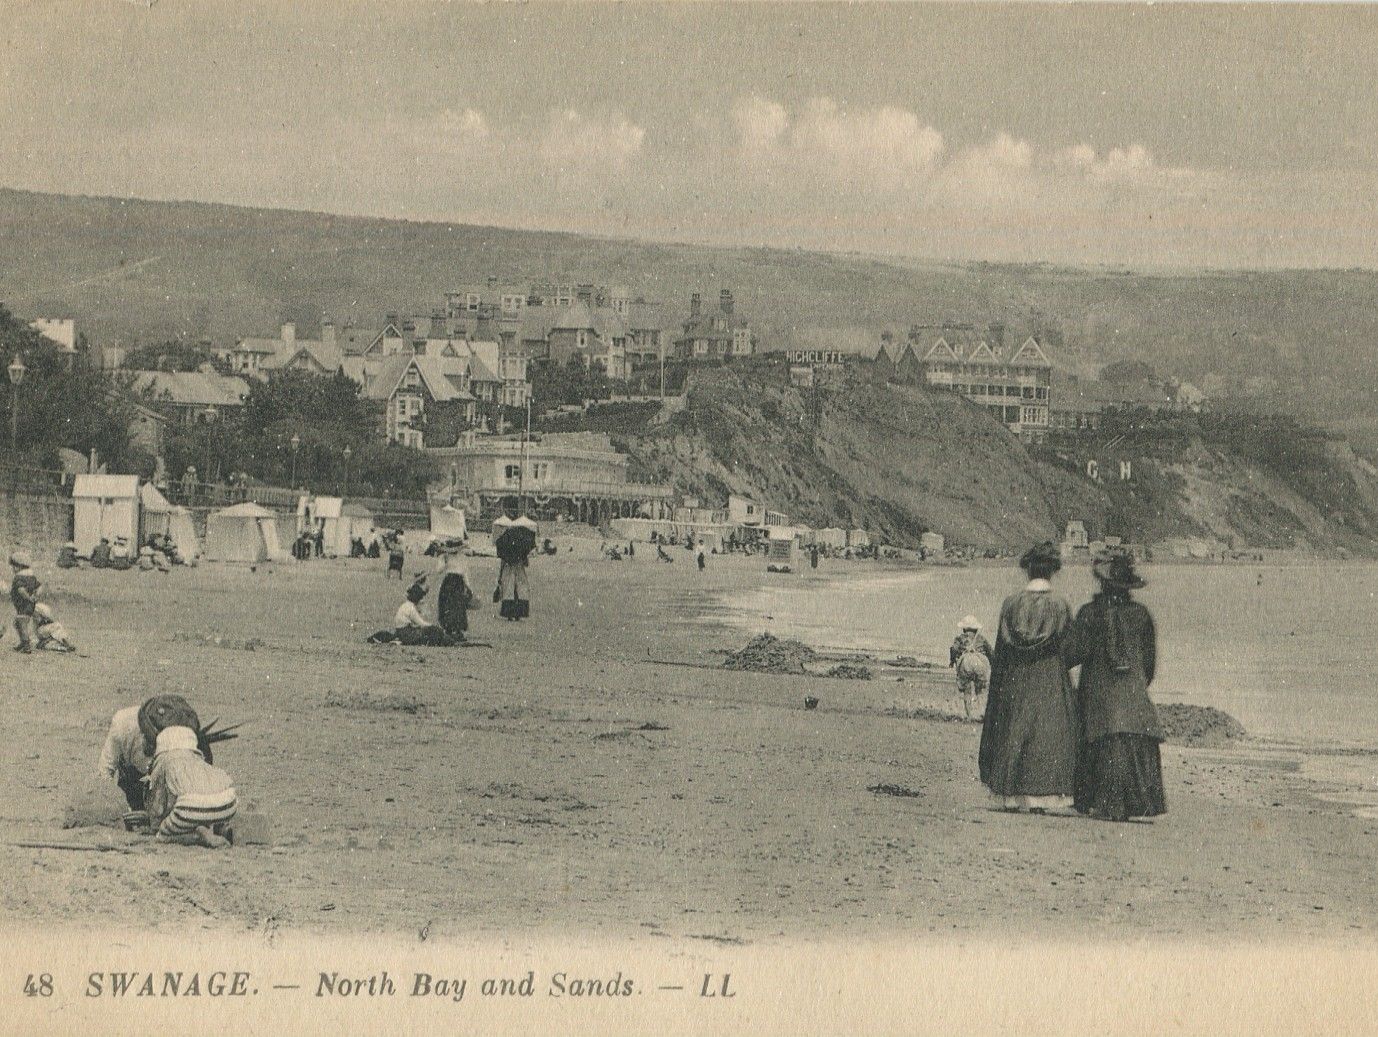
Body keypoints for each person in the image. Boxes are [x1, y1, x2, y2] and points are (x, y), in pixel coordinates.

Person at [978, 541, 1079, 814]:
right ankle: (1042, 795)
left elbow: (1002, 646)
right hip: (1048, 674)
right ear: (1052, 572)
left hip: (1016, 675)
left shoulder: (1011, 604)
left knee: (1014, 729)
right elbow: (1070, 649)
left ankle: (1012, 794)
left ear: (1028, 570)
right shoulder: (1059, 605)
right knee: (1046, 733)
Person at [1068, 550, 1166, 822]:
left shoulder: (1089, 613)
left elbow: (1072, 653)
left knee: (1099, 741)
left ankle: (1097, 800)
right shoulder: (1142, 614)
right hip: (1134, 699)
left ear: (1102, 583)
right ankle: (1135, 804)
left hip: (1098, 699)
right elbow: (1149, 664)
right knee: (1132, 740)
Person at [143, 715, 238, 849]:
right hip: (229, 803)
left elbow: (157, 810)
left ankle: (200, 836)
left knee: (162, 836)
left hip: (189, 808)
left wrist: (156, 825)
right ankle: (218, 826)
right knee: (198, 804)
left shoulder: (164, 761)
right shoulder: (197, 758)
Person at [950, 616, 994, 719]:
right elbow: (991, 653)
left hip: (966, 663)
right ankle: (981, 714)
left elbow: (953, 649)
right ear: (976, 629)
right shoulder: (981, 639)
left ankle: (969, 715)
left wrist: (952, 661)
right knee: (981, 689)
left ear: (964, 628)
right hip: (980, 663)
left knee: (967, 689)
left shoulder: (960, 638)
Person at [495, 516, 536, 621]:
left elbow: (503, 561)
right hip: (519, 567)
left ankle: (509, 614)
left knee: (508, 589)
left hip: (508, 567)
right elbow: (526, 563)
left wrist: (500, 576)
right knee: (520, 588)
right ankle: (518, 613)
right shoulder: (521, 540)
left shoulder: (505, 540)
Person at [392, 579, 452, 646]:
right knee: (434, 631)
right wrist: (433, 627)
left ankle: (449, 641)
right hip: (407, 634)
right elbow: (421, 623)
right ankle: (451, 642)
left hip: (401, 632)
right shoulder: (411, 608)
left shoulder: (405, 605)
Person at [436, 549, 472, 644]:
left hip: (450, 582)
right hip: (457, 582)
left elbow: (439, 570)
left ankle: (453, 629)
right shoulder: (459, 556)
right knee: (455, 605)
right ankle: (454, 630)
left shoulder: (446, 556)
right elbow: (465, 572)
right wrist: (468, 586)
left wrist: (444, 560)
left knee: (452, 605)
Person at [9, 552, 41, 653]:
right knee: (17, 623)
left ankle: (26, 645)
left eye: (14, 566)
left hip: (23, 606)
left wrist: (28, 598)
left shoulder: (19, 578)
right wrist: (35, 596)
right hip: (29, 606)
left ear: (18, 567)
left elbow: (21, 590)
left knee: (21, 624)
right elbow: (40, 587)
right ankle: (23, 642)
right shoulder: (31, 577)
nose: (13, 569)